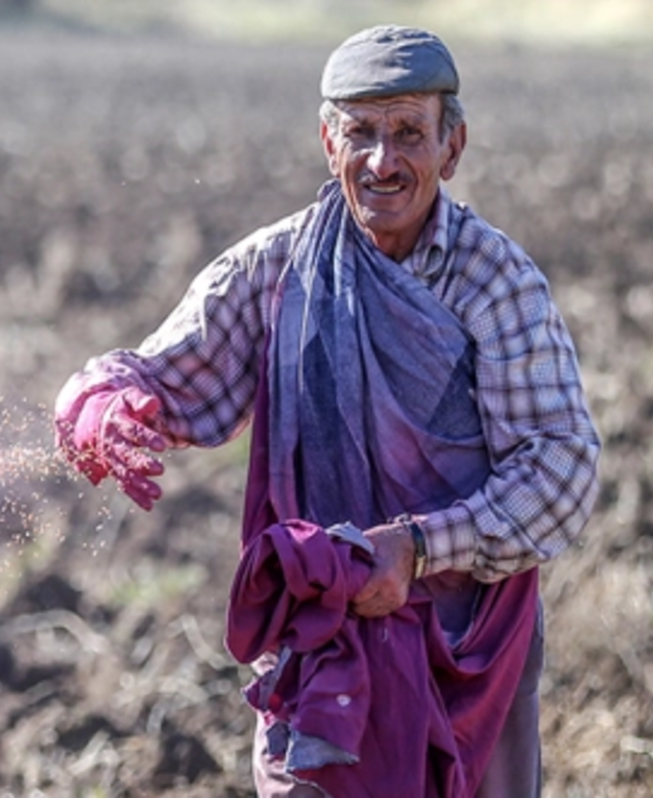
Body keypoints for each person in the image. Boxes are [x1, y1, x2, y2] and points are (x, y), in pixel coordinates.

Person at [54, 23, 599, 798]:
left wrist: (414, 549)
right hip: (325, 648)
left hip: (467, 652)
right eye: (361, 133)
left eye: (409, 133)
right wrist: (103, 408)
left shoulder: (496, 282)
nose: (383, 160)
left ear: (453, 147)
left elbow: (561, 472)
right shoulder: (276, 268)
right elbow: (163, 381)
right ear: (326, 140)